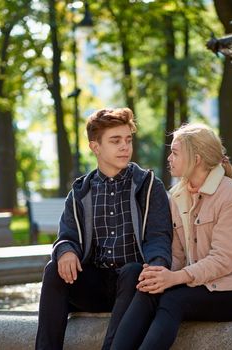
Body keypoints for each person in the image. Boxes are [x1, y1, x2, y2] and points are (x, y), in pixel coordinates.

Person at [110, 123, 232, 350]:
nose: (169, 158)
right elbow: (177, 255)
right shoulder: (176, 196)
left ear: (197, 158)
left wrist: (175, 279)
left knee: (174, 299)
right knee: (149, 290)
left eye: (175, 152)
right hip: (200, 283)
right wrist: (159, 275)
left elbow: (223, 261)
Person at [35, 107, 172, 350]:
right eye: (115, 141)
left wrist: (158, 265)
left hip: (134, 287)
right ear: (95, 147)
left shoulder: (148, 185)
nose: (125, 147)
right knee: (54, 269)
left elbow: (158, 236)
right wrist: (66, 250)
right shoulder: (81, 191)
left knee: (131, 271)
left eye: (128, 140)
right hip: (95, 285)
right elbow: (66, 236)